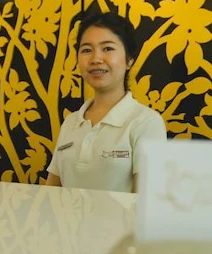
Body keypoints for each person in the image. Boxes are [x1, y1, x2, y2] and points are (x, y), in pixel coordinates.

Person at [46, 12, 167, 193]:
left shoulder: (146, 123)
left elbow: (145, 201)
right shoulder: (71, 123)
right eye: (86, 50)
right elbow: (50, 193)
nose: (96, 59)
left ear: (129, 60)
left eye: (108, 48)